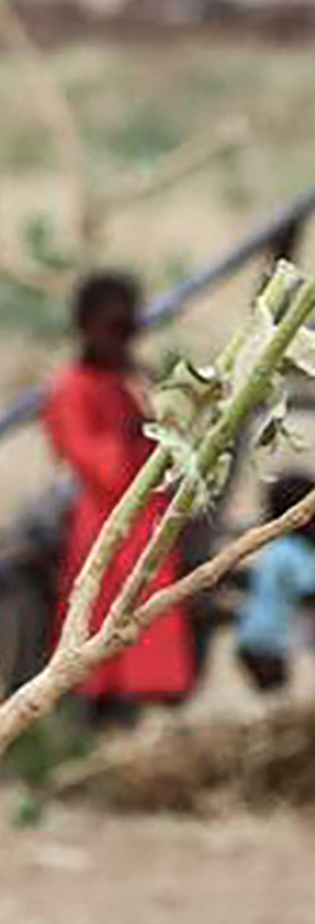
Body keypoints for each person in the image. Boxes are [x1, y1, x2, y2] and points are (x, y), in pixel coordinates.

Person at [42, 271, 193, 725]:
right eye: (113, 329)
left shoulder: (133, 380)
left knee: (151, 632)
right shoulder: (70, 386)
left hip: (149, 524)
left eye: (128, 330)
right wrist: (139, 427)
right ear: (86, 327)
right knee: (100, 636)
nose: (123, 342)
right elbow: (97, 466)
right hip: (104, 526)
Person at [233, 472, 315, 696]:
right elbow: (311, 591)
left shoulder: (276, 546)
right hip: (271, 642)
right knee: (284, 697)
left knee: (272, 697)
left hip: (250, 637)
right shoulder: (297, 552)